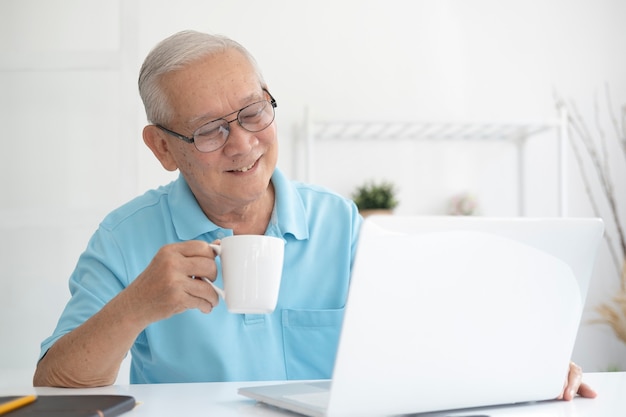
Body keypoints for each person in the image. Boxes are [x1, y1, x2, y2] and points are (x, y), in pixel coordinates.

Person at [33, 30, 596, 400]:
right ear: (161, 148)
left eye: (252, 112)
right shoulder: (124, 238)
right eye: (209, 130)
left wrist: (526, 364)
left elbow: (426, 340)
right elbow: (55, 381)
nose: (242, 143)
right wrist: (136, 307)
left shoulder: (339, 222)